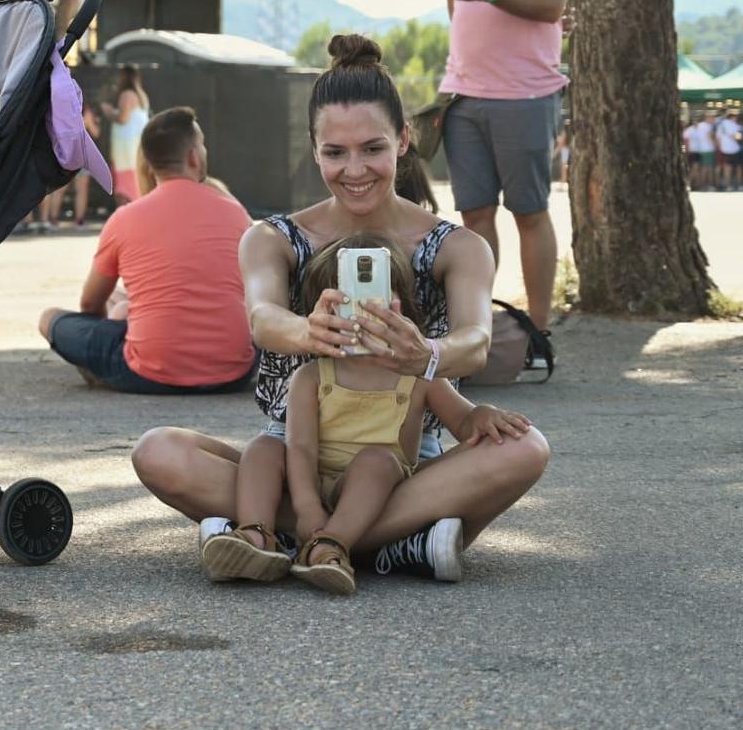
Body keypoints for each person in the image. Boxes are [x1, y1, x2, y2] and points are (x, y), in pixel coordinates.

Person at [130, 34, 550, 584]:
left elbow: (476, 341)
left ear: (402, 141)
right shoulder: (272, 237)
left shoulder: (459, 247)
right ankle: (395, 544)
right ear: (314, 148)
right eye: (336, 152)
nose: (355, 170)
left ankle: (277, 537)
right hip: (293, 454)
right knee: (158, 451)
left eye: (372, 148)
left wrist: (425, 353)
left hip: (399, 462)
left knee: (525, 450)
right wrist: (310, 332)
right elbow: (262, 319)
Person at [203, 233, 535, 593]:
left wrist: (481, 414)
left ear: (402, 308)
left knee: (375, 461)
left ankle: (331, 544)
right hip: (315, 478)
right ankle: (255, 536)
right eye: (343, 302)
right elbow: (299, 449)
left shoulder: (419, 375)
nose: (361, 311)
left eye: (371, 297)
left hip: (380, 488)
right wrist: (308, 506)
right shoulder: (311, 376)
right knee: (264, 447)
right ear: (320, 314)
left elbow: (463, 421)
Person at [432, 0, 576, 332]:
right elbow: (457, 15)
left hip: (525, 97)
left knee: (529, 213)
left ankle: (538, 331)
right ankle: (479, 331)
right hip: (463, 98)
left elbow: (553, 6)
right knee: (473, 219)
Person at [38, 107, 256, 394]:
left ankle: (111, 361)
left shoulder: (124, 218)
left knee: (50, 319)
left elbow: (90, 305)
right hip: (234, 372)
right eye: (201, 145)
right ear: (193, 156)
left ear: (149, 162)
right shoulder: (236, 214)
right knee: (123, 302)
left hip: (150, 373)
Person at [107, 65, 150, 204]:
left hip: (126, 151)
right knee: (136, 186)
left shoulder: (127, 95)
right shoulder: (141, 95)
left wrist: (108, 111)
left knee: (124, 189)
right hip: (136, 150)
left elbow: (122, 118)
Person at [683, 111, 718, 190]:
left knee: (699, 169)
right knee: (703, 168)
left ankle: (696, 185)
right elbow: (686, 140)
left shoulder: (698, 127)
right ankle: (696, 184)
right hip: (700, 150)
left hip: (699, 150)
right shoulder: (702, 127)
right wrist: (716, 145)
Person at [721, 109, 743, 191]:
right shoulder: (732, 125)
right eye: (736, 116)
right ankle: (739, 186)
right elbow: (736, 137)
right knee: (739, 168)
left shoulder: (722, 124)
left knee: (727, 168)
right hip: (734, 149)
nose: (737, 118)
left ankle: (728, 186)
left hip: (725, 149)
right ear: (732, 117)